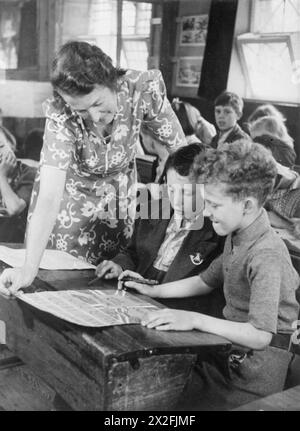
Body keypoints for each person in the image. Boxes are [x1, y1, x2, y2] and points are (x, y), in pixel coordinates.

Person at [122, 140, 300, 410]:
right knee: (153, 393)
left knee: (162, 402)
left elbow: (260, 335)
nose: (204, 212)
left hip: (251, 376)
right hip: (226, 356)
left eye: (214, 205)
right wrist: (153, 291)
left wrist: (193, 319)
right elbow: (206, 280)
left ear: (247, 205)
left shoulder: (266, 254)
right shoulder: (237, 235)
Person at [0, 40, 186, 296]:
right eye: (82, 111)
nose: (95, 118)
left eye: (98, 104)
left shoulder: (141, 90)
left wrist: (192, 218)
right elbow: (49, 196)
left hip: (119, 201)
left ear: (112, 81)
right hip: (70, 208)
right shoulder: (61, 114)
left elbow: (181, 151)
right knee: (64, 285)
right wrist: (27, 271)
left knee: (115, 279)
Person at [95, 144, 224, 315]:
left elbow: (210, 285)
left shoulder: (220, 229)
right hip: (136, 301)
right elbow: (132, 252)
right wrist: (119, 265)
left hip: (181, 312)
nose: (176, 200)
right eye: (171, 189)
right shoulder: (152, 210)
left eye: (187, 193)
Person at [0, 125, 37, 242]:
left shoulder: (29, 173)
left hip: (20, 243)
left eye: (1, 146)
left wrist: (2, 176)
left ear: (11, 145)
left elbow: (14, 209)